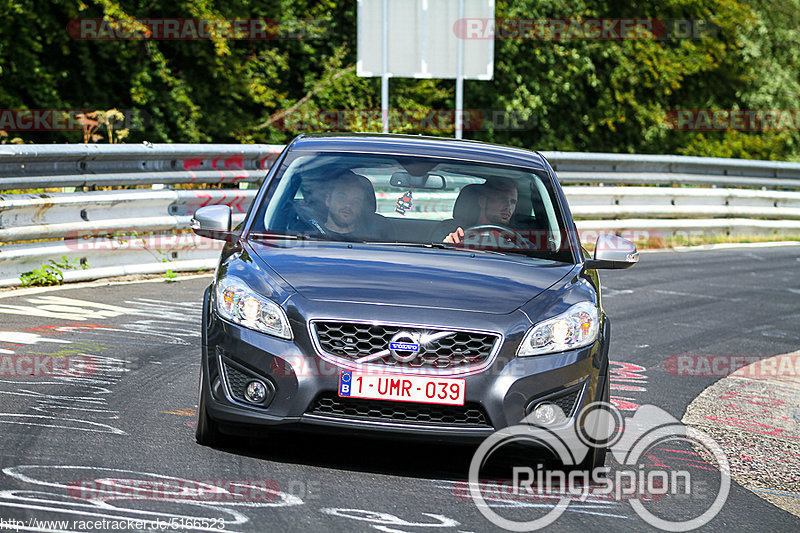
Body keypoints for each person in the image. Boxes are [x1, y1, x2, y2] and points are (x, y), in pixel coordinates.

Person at [443, 178, 519, 244]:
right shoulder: (458, 236)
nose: (508, 206)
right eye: (502, 199)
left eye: (513, 202)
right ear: (482, 201)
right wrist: (449, 245)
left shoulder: (517, 241)